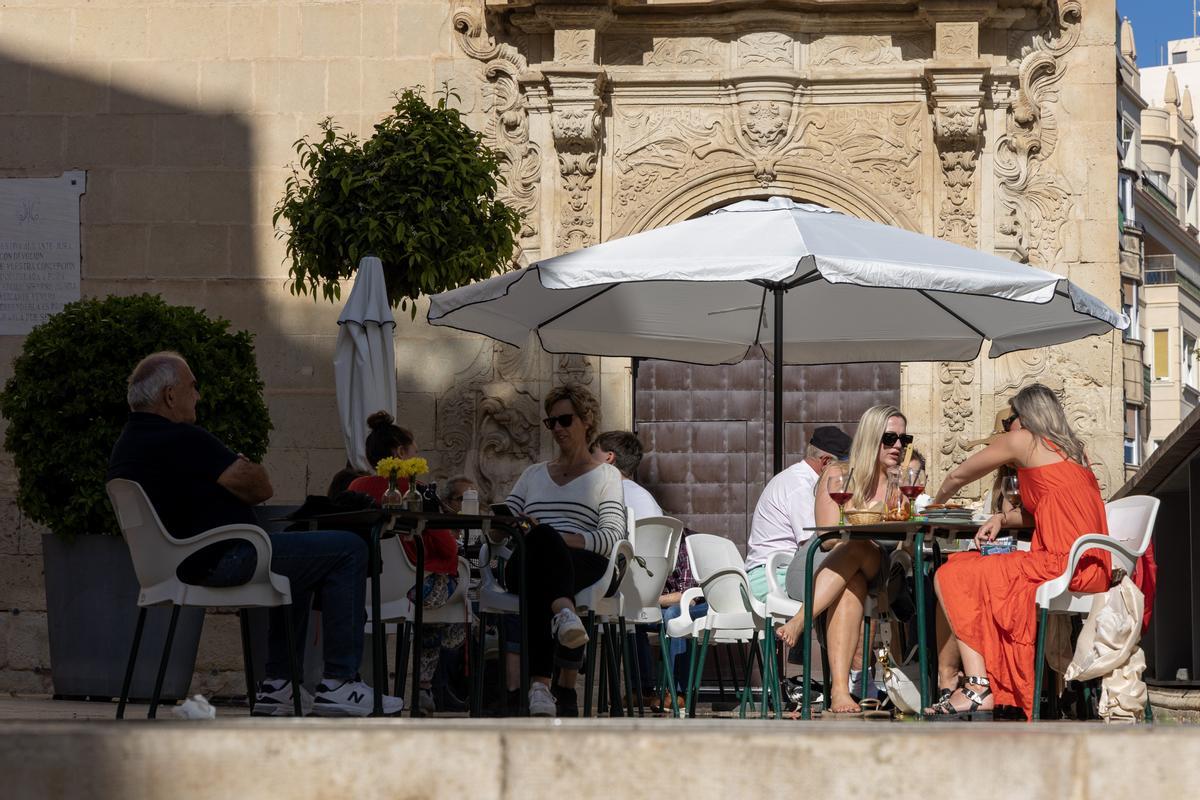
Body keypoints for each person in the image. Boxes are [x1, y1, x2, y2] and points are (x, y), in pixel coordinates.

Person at [107, 352, 402, 716]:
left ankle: (279, 684)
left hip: (174, 564)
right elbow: (261, 488)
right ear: (170, 396)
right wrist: (241, 468)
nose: (198, 396)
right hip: (221, 557)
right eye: (193, 387)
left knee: (302, 559)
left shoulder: (127, 446)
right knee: (349, 548)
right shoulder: (183, 438)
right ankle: (340, 681)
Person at [927, 383, 1111, 721]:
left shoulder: (1023, 439)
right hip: (1091, 563)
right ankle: (977, 682)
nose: (1007, 427)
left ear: (1024, 417)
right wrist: (1001, 516)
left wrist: (934, 506)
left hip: (1060, 563)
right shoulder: (1074, 452)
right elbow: (1047, 508)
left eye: (1010, 418)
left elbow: (958, 474)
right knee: (969, 567)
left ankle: (978, 685)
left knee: (951, 572)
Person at [501, 383, 627, 717]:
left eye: (565, 420)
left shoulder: (607, 475)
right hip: (530, 556)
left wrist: (557, 537)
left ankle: (539, 687)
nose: (557, 428)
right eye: (551, 422)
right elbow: (504, 525)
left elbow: (613, 534)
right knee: (540, 549)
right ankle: (564, 614)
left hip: (580, 559)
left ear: (587, 421)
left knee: (543, 559)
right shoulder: (532, 474)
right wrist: (525, 529)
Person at [775, 405, 909, 715]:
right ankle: (839, 690)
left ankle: (800, 619)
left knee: (859, 548)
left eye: (904, 438)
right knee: (852, 581)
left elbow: (905, 534)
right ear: (869, 437)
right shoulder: (837, 474)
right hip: (817, 562)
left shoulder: (900, 484)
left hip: (877, 565)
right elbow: (830, 536)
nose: (898, 446)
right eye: (889, 438)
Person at [347, 411, 465, 715]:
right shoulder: (416, 490)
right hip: (412, 591)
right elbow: (448, 548)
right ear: (400, 453)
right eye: (415, 452)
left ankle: (420, 689)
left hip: (362, 589)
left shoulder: (355, 487)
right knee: (464, 590)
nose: (417, 457)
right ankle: (428, 687)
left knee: (432, 602)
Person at [591, 429, 663, 707]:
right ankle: (643, 687)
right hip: (650, 588)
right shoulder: (645, 496)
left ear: (608, 458)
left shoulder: (611, 496)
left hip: (625, 590)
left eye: (592, 453)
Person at [745, 426, 853, 602]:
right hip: (769, 577)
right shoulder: (801, 486)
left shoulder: (802, 480)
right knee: (847, 582)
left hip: (782, 569)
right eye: (845, 467)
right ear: (826, 462)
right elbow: (815, 543)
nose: (849, 474)